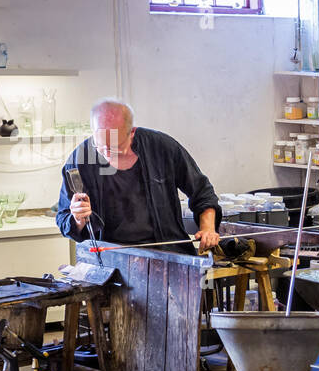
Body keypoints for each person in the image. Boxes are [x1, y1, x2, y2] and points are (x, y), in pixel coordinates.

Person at [56, 98, 222, 254]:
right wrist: (78, 219)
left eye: (115, 147)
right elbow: (64, 220)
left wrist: (208, 228)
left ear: (132, 133)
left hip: (168, 254)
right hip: (110, 259)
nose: (107, 154)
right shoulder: (80, 161)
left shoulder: (162, 148)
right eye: (100, 147)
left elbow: (202, 192)